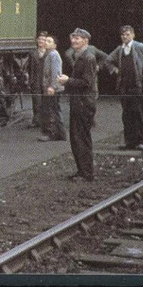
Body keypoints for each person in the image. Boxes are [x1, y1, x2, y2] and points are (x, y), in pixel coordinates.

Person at [58, 28, 98, 181]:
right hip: (79, 102)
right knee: (77, 138)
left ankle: (86, 173)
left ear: (85, 41)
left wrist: (68, 81)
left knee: (81, 138)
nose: (73, 41)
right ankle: (82, 170)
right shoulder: (80, 56)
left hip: (83, 103)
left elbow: (87, 82)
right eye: (73, 38)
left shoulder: (87, 58)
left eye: (77, 38)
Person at [106, 25, 143, 150]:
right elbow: (108, 60)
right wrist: (114, 70)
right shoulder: (120, 49)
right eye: (123, 35)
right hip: (124, 86)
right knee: (127, 115)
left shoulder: (139, 47)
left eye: (128, 34)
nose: (125, 37)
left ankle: (142, 141)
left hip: (137, 86)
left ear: (133, 35)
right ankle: (129, 141)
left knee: (139, 113)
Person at [39, 35, 66, 141]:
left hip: (53, 88)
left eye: (49, 41)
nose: (46, 42)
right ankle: (60, 134)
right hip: (51, 86)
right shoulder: (49, 54)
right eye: (46, 40)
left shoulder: (53, 55)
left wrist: (53, 87)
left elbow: (56, 72)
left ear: (54, 45)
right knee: (54, 109)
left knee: (51, 110)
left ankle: (52, 133)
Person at [28, 32, 48, 129]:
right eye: (39, 39)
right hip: (36, 79)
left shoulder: (49, 53)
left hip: (46, 80)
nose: (41, 41)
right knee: (36, 101)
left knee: (46, 101)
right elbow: (30, 68)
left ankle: (46, 121)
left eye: (43, 40)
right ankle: (36, 120)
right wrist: (30, 80)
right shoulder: (33, 53)